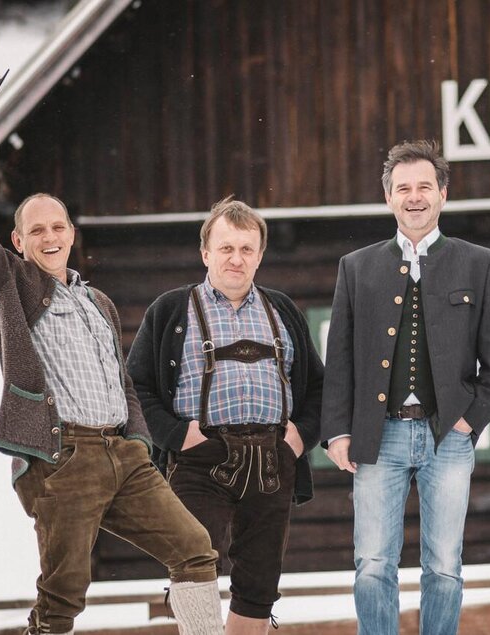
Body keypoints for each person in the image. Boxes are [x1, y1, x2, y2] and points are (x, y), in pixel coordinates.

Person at [0, 103, 223, 635]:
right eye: (36, 230)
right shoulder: (10, 287)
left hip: (125, 456)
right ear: (19, 242)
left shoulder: (98, 302)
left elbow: (122, 378)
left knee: (196, 550)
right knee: (63, 596)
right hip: (66, 456)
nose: (49, 236)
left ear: (71, 233)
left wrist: (137, 437)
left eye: (58, 226)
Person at [320, 139, 490, 635]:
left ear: (443, 193)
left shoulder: (479, 261)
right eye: (403, 188)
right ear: (388, 197)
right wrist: (338, 431)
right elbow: (338, 358)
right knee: (373, 565)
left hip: (448, 435)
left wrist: (473, 419)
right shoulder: (356, 267)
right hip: (377, 436)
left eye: (425, 185)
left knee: (444, 566)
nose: (414, 196)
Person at [126, 197, 324, 634]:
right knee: (194, 562)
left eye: (246, 249)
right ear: (206, 253)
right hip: (200, 458)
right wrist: (176, 436)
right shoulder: (171, 310)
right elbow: (135, 385)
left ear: (259, 255)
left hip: (273, 459)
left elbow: (316, 386)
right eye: (226, 248)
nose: (236, 259)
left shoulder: (282, 310)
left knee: (259, 580)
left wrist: (299, 438)